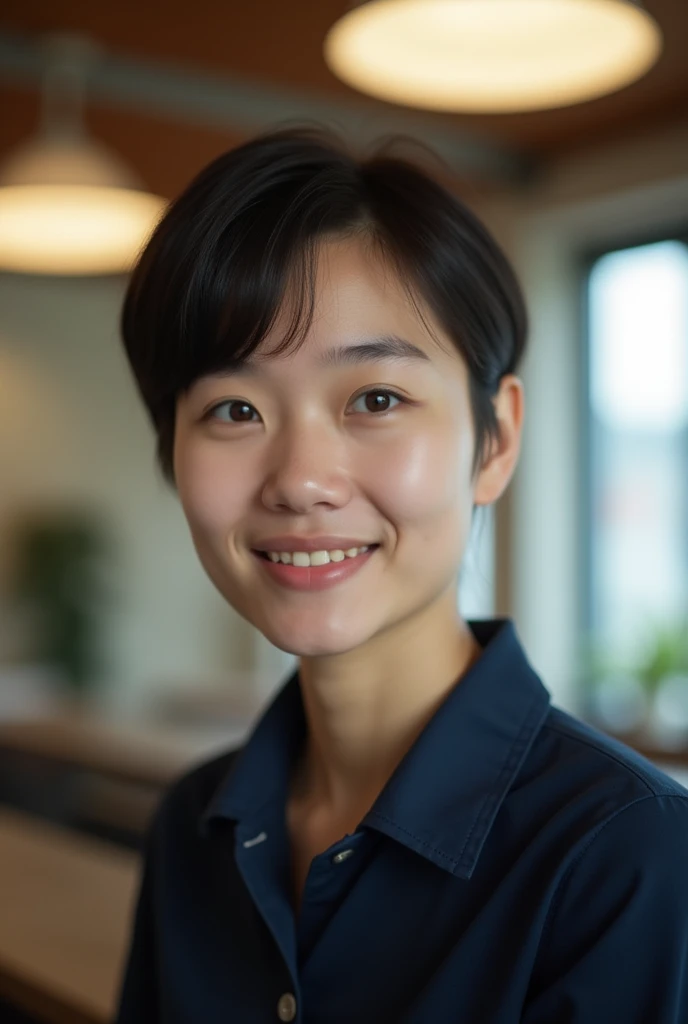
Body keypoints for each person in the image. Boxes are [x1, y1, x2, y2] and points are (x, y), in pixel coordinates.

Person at [114, 127, 688, 1024]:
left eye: (375, 399)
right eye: (234, 408)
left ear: (494, 440)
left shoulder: (625, 855)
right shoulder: (194, 828)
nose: (301, 479)